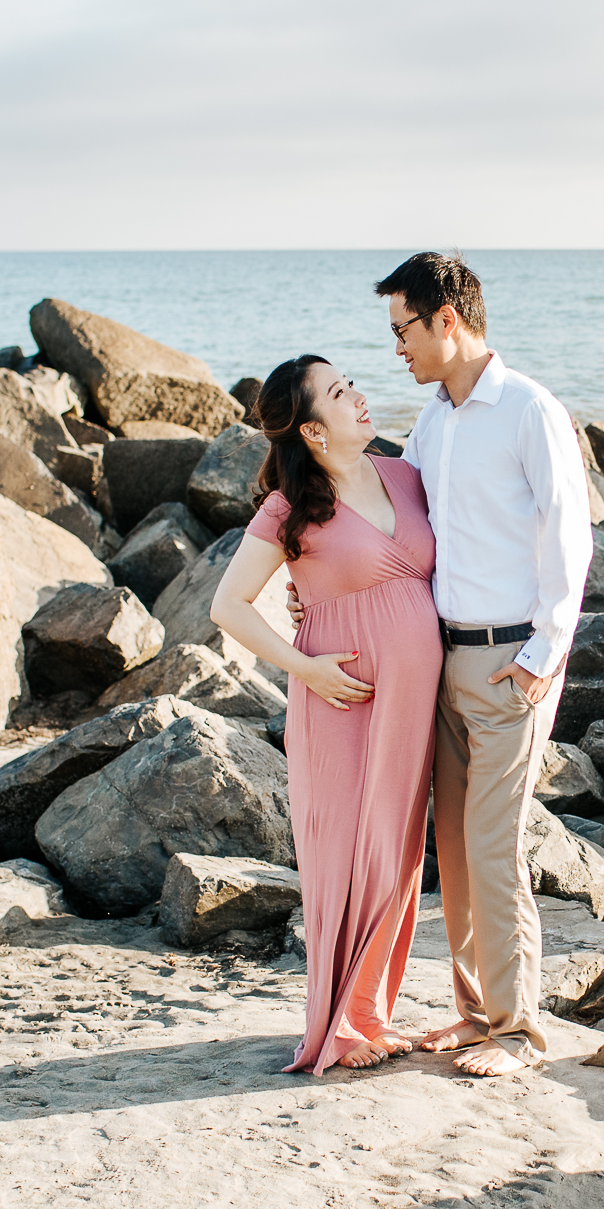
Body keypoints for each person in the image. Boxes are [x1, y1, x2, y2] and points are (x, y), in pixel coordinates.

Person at [294, 252, 592, 1077]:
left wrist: (542, 657)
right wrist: (307, 593)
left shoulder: (530, 410)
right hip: (442, 662)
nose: (398, 350)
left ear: (447, 320)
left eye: (404, 331)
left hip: (509, 661)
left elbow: (572, 539)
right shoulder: (433, 422)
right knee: (454, 848)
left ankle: (518, 1032)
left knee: (493, 844)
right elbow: (380, 520)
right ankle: (475, 1011)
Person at [210, 354, 440, 1073]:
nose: (360, 396)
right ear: (312, 428)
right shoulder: (289, 507)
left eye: (352, 384)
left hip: (412, 702)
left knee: (395, 854)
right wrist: (303, 666)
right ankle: (336, 1028)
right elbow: (227, 605)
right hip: (339, 700)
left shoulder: (405, 476)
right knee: (342, 853)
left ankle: (366, 1014)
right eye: (341, 393)